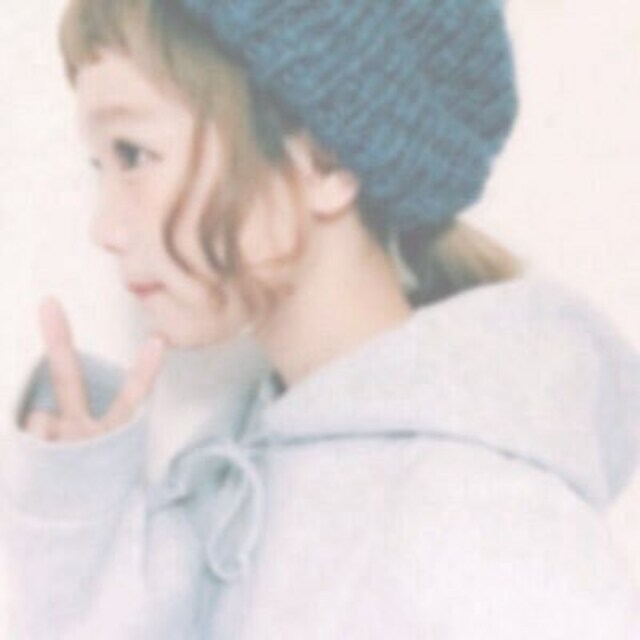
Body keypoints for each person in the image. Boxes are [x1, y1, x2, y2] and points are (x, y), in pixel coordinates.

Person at [1, 0, 639, 637]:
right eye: (100, 166)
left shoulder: (484, 529)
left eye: (133, 154)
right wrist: (76, 518)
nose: (104, 227)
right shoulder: (240, 481)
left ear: (325, 161)